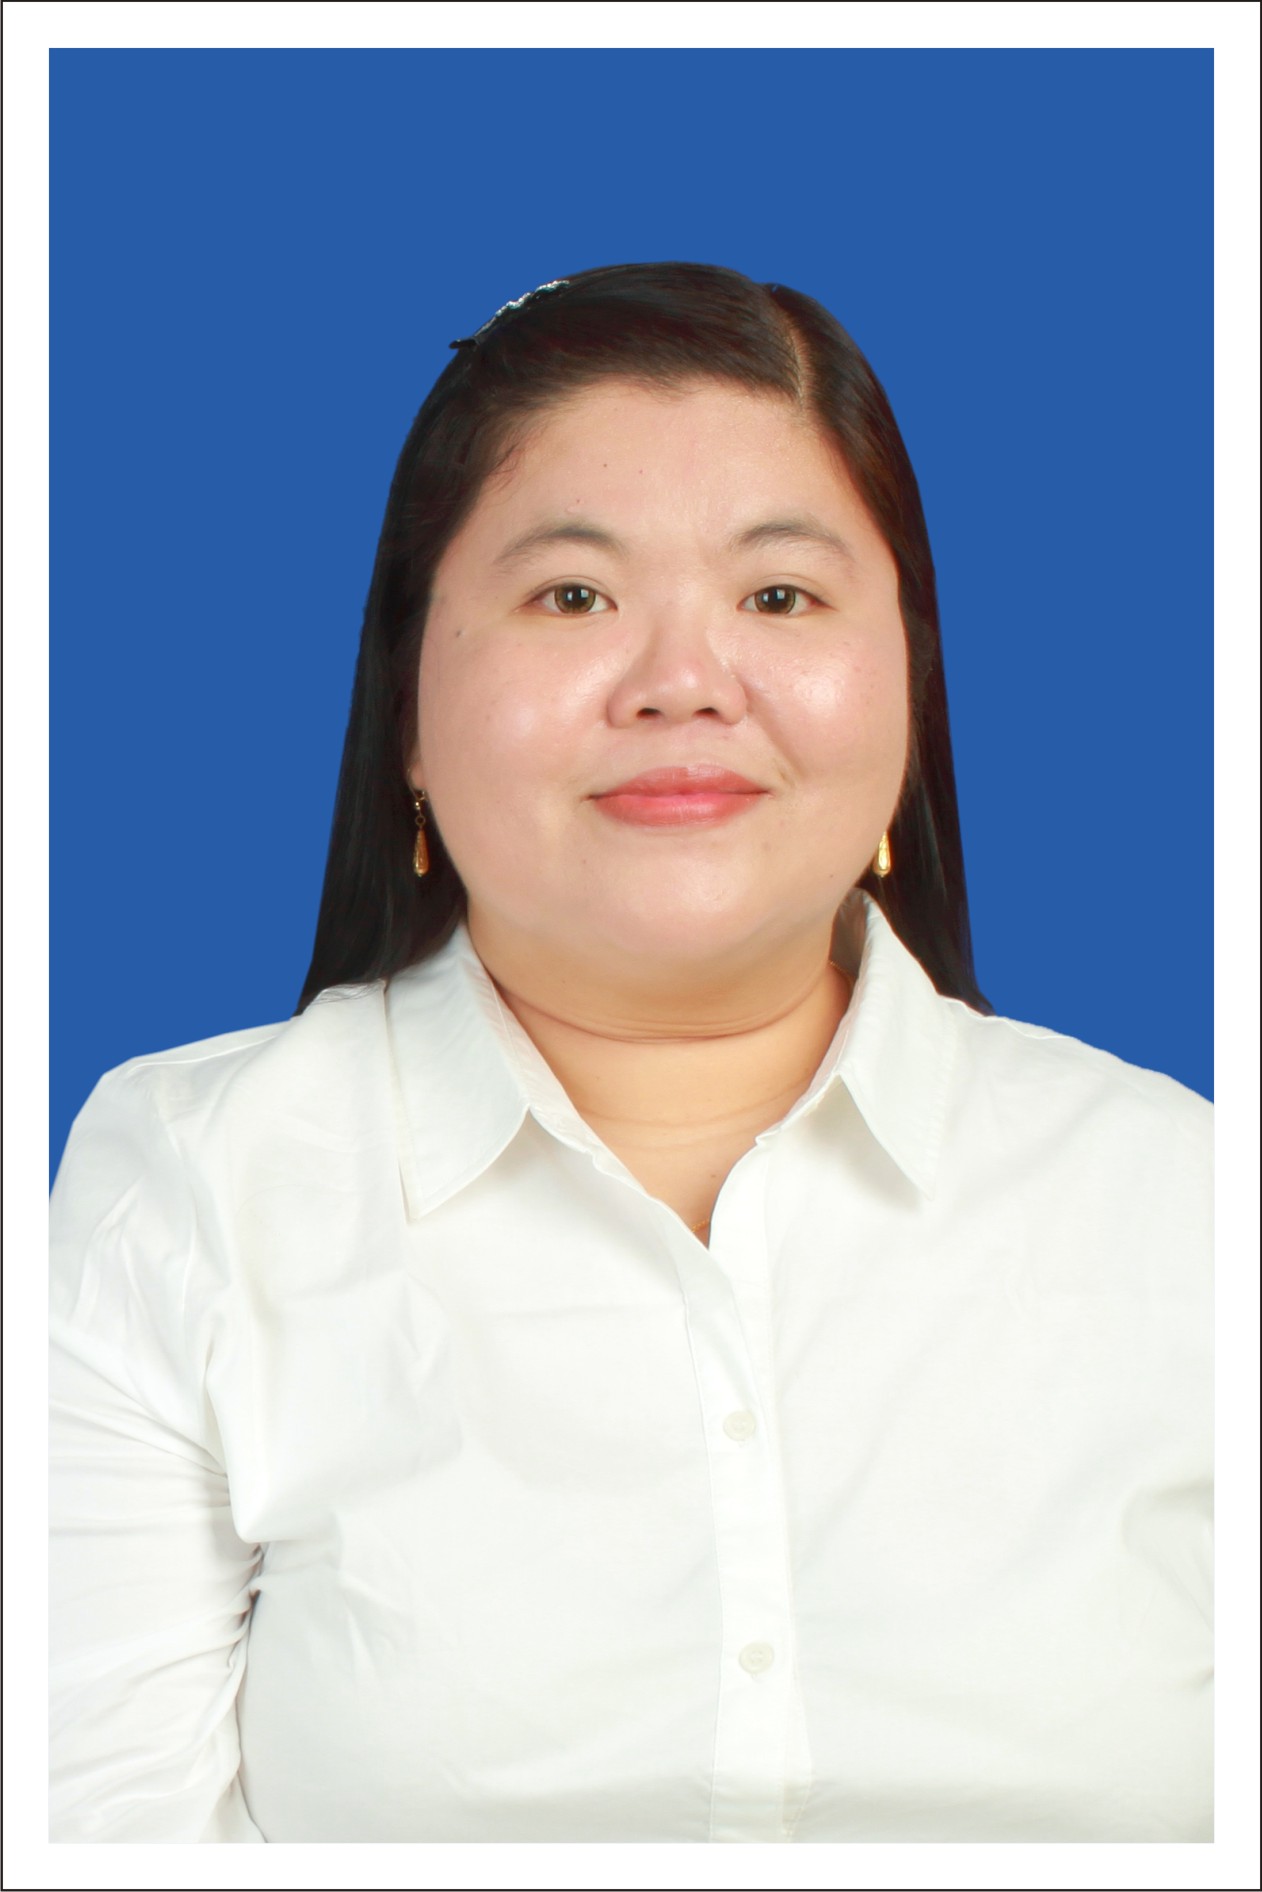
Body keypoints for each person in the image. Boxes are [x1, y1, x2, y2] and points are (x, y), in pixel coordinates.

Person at [49, 261, 1212, 1844]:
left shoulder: (1180, 1197)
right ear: (406, 707)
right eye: (572, 597)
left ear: (909, 690)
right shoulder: (194, 1186)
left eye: (778, 597)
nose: (682, 684)